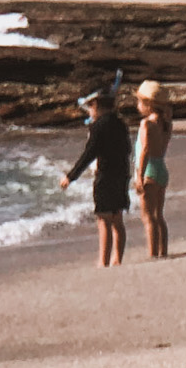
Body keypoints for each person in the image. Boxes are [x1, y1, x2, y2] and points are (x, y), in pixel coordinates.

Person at [60, 86, 132, 267]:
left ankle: (104, 261)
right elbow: (127, 149)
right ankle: (117, 259)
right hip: (122, 173)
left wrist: (71, 176)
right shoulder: (120, 124)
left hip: (105, 175)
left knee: (103, 219)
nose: (90, 112)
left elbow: (89, 154)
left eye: (90, 107)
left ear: (97, 105)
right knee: (117, 218)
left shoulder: (98, 127)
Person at [134, 79, 174, 259]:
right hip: (161, 168)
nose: (137, 105)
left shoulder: (146, 124)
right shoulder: (166, 124)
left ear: (148, 104)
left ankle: (152, 253)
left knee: (148, 217)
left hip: (149, 169)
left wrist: (138, 176)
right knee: (159, 216)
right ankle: (162, 251)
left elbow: (144, 151)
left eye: (140, 102)